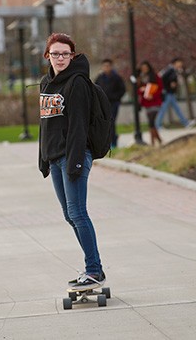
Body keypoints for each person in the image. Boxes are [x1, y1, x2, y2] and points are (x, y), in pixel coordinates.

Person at [38, 33, 106, 291]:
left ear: (72, 55)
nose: (60, 58)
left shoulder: (77, 83)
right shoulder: (46, 82)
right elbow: (45, 125)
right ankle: (94, 267)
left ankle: (94, 270)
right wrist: (43, 158)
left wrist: (75, 162)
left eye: (65, 54)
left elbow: (78, 125)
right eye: (55, 53)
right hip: (54, 158)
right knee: (69, 215)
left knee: (78, 212)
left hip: (73, 156)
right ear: (48, 55)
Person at [156, 58, 196, 130]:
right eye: (179, 62)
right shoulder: (170, 70)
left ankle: (185, 123)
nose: (181, 64)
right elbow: (162, 78)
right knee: (163, 109)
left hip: (171, 93)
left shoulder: (173, 70)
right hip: (168, 93)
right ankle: (158, 125)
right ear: (175, 63)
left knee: (176, 109)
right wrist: (170, 83)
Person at [95, 58, 126, 148]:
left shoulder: (116, 77)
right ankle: (107, 141)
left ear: (111, 67)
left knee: (111, 122)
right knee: (104, 123)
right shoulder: (100, 78)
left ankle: (113, 142)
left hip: (113, 103)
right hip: (102, 104)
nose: (106, 68)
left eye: (108, 66)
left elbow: (122, 90)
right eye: (104, 66)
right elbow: (95, 89)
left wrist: (115, 97)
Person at [136, 61, 164, 146]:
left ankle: (153, 142)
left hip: (155, 101)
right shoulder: (140, 78)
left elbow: (160, 88)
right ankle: (159, 140)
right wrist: (142, 90)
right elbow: (137, 90)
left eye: (146, 68)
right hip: (146, 102)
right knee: (152, 122)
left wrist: (153, 95)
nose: (144, 70)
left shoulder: (155, 76)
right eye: (143, 68)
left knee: (151, 121)